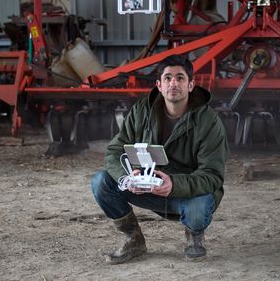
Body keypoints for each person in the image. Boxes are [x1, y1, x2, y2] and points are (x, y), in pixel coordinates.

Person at [90, 54, 229, 264]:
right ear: (159, 85)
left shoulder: (208, 121)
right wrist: (128, 177)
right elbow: (114, 151)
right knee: (101, 182)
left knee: (200, 207)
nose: (174, 83)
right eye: (168, 78)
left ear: (191, 85)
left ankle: (194, 236)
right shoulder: (141, 112)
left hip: (187, 195)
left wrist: (174, 184)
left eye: (180, 78)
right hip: (148, 188)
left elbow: (213, 175)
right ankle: (133, 238)